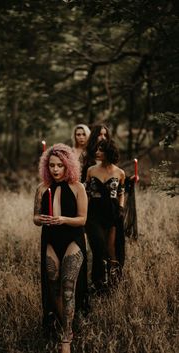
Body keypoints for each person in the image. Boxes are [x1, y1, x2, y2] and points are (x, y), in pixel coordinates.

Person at [33, 143, 88, 353]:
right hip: (50, 239)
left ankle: (67, 335)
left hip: (72, 239)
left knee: (67, 288)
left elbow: (83, 219)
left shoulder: (77, 187)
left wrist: (63, 219)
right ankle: (62, 319)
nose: (55, 170)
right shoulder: (42, 188)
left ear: (68, 166)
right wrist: (41, 218)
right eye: (52, 165)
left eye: (60, 166)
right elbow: (35, 218)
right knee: (53, 285)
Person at [85, 139, 126, 294]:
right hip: (94, 212)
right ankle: (98, 282)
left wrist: (121, 208)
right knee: (99, 246)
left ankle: (113, 284)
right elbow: (87, 193)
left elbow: (121, 192)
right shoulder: (91, 170)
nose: (97, 152)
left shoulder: (120, 172)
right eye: (96, 149)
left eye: (100, 150)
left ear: (109, 152)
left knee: (112, 249)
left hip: (112, 212)